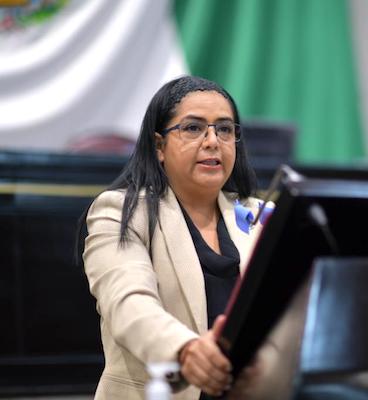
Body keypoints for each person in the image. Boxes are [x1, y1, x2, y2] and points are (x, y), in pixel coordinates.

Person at [77, 75, 271, 399]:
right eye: (193, 128)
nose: (213, 141)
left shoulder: (261, 215)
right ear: (159, 146)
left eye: (225, 129)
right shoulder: (120, 211)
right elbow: (128, 303)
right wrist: (186, 351)